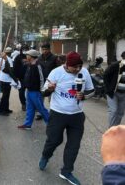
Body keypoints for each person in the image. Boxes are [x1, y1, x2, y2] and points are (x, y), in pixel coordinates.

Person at [38, 51, 94, 185]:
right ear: (67, 65)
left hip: (77, 116)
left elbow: (91, 90)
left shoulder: (84, 73)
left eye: (79, 66)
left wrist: (84, 96)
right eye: (74, 67)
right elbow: (43, 92)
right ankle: (46, 155)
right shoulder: (56, 73)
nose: (77, 70)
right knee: (54, 140)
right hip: (58, 114)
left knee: (74, 145)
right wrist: (50, 89)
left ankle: (66, 171)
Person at [17, 50, 49, 130]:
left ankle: (50, 124)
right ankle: (28, 124)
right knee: (29, 108)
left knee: (40, 108)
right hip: (29, 90)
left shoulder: (38, 65)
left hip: (36, 91)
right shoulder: (29, 65)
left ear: (31, 56)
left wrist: (42, 90)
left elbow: (42, 78)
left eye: (27, 55)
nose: (26, 56)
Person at [36, 43, 58, 120]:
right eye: (43, 49)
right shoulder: (39, 58)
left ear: (49, 49)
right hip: (42, 81)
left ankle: (53, 113)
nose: (44, 51)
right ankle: (40, 113)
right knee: (40, 98)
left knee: (51, 98)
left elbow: (57, 70)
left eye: (46, 49)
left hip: (52, 82)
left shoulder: (54, 58)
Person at [103, 51, 125, 127]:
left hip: (123, 94)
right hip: (113, 93)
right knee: (113, 111)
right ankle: (111, 130)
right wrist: (108, 89)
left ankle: (115, 128)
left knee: (120, 113)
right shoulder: (116, 65)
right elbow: (105, 75)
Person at [0, 47, 16, 115]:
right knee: (5, 96)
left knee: (6, 95)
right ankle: (2, 110)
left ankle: (6, 108)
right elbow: (9, 71)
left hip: (4, 79)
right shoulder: (7, 59)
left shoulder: (4, 59)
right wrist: (15, 79)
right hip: (5, 80)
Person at [13, 44, 29, 111]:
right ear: (21, 50)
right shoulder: (18, 57)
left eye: (26, 49)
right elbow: (15, 68)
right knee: (21, 91)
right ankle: (23, 104)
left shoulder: (31, 57)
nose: (25, 51)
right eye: (23, 49)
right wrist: (16, 77)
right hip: (21, 78)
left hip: (30, 78)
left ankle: (32, 104)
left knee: (31, 92)